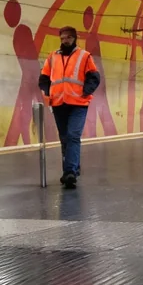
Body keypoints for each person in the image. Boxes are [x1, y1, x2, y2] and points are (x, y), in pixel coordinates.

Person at [39, 26, 101, 189]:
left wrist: (86, 92)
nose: (65, 41)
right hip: (58, 103)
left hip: (78, 103)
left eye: (68, 38)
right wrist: (48, 92)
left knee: (73, 135)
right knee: (65, 138)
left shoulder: (84, 56)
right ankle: (72, 169)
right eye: (62, 38)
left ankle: (70, 172)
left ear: (74, 38)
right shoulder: (52, 57)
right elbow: (44, 77)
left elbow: (94, 76)